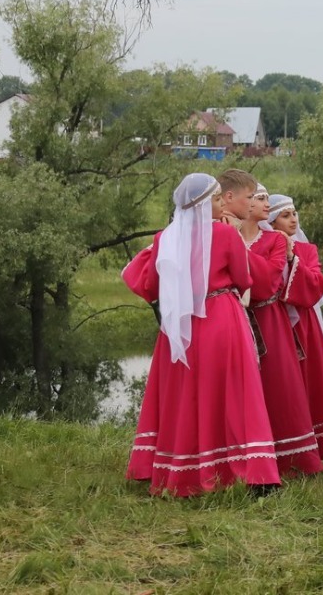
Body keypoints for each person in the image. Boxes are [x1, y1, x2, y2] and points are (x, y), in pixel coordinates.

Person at [121, 173, 280, 496]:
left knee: (185, 395)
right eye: (218, 199)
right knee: (236, 393)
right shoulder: (224, 234)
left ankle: (177, 472)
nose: (224, 204)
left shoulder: (166, 238)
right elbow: (244, 278)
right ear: (205, 203)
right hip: (221, 319)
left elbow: (148, 283)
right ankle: (252, 473)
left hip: (179, 328)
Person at [232, 175, 323, 478]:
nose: (264, 202)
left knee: (278, 385)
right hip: (233, 319)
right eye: (258, 197)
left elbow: (266, 283)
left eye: (266, 197)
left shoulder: (275, 241)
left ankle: (287, 457)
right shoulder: (226, 235)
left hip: (270, 320)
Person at [265, 194, 323, 461]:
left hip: (305, 324)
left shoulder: (306, 249)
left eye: (294, 213)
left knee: (309, 381)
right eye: (285, 216)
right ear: (271, 222)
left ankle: (312, 445)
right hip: (277, 324)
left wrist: (290, 257)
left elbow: (316, 284)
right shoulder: (264, 248)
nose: (293, 219)